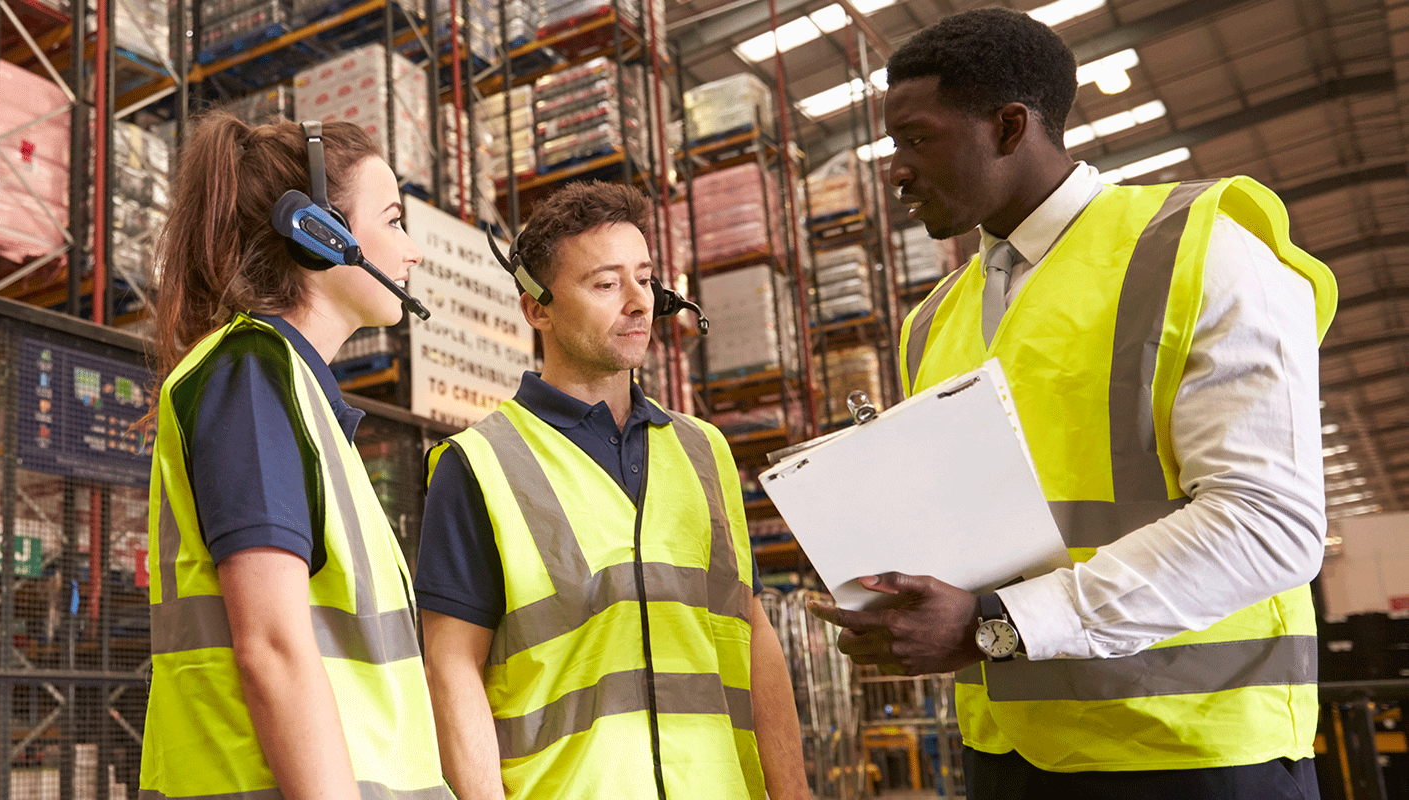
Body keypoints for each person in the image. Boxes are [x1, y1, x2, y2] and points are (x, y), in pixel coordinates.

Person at [807, 8, 1337, 798]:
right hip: (1010, 757)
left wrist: (999, 623)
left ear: (1010, 127)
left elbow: (1269, 524)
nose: (897, 171)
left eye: (917, 140)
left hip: (1192, 757)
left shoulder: (1203, 251)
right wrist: (905, 606)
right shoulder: (933, 321)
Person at [415, 181, 813, 800]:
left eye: (645, 277)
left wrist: (792, 792)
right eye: (605, 284)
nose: (638, 303)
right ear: (536, 308)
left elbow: (752, 632)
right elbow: (450, 668)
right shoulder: (478, 465)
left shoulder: (705, 451)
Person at [138, 112, 452, 800]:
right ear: (319, 234)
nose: (413, 251)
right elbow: (272, 650)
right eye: (394, 219)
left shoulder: (294, 390)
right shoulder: (251, 375)